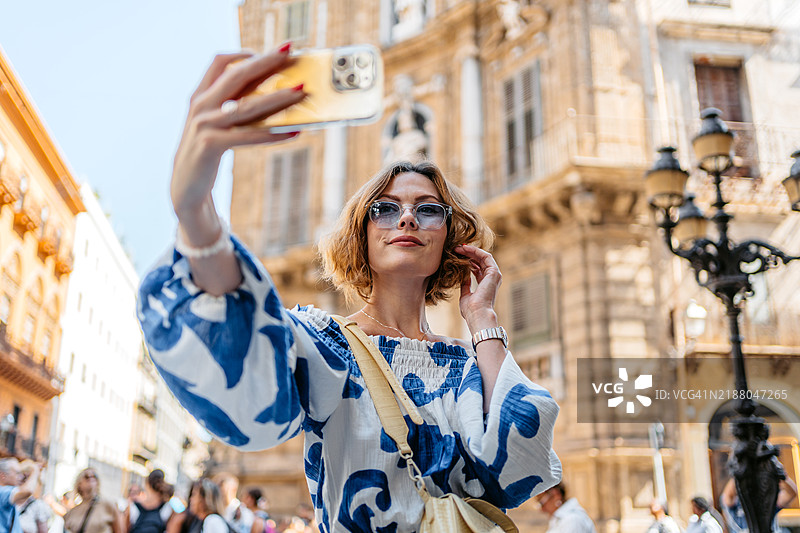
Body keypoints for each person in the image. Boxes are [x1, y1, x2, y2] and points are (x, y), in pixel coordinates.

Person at [137, 43, 561, 532]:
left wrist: (483, 318)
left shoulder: (468, 364)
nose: (407, 216)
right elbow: (247, 371)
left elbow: (522, 465)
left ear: (450, 237)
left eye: (428, 209)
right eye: (385, 208)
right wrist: (196, 213)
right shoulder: (326, 346)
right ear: (362, 232)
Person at [721, 476, 797, 533]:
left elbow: (790, 493)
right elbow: (728, 496)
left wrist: (777, 471)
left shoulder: (766, 501)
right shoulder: (736, 503)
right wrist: (739, 468)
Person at [63, 469, 122, 533]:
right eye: (86, 476)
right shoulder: (72, 513)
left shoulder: (109, 504)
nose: (91, 476)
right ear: (79, 484)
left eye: (94, 476)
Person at [1, 459, 40, 533]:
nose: (20, 477)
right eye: (17, 473)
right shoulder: (3, 491)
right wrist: (34, 471)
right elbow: (28, 491)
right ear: (3, 476)